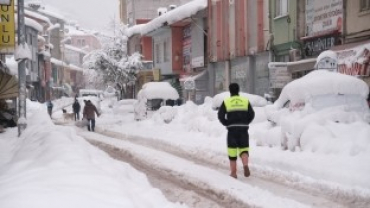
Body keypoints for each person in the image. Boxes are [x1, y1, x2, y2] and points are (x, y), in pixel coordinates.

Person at [217, 83, 255, 179]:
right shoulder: (245, 101)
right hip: (243, 129)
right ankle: (245, 165)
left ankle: (233, 173)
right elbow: (252, 114)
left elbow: (220, 115)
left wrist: (226, 123)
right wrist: (246, 122)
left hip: (232, 130)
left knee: (232, 151)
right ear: (238, 90)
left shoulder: (227, 101)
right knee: (244, 149)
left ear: (230, 91)